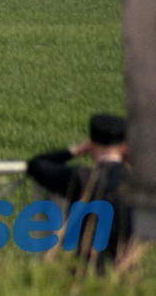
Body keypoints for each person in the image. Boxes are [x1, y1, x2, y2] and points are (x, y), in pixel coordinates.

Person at [25, 113, 132, 272]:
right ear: (124, 147)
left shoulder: (81, 178)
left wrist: (76, 150)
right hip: (123, 273)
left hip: (82, 270)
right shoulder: (137, 184)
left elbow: (36, 165)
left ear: (92, 143)